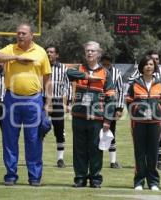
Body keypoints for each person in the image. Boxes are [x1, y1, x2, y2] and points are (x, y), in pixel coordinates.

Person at [0, 23, 52, 186]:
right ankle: (11, 174)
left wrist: (48, 103)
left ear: (32, 35)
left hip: (34, 99)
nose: (20, 36)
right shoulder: (11, 49)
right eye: (18, 33)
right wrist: (16, 57)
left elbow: (47, 78)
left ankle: (34, 177)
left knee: (33, 139)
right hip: (12, 98)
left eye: (24, 33)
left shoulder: (40, 52)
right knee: (10, 138)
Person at [67, 41, 115, 188]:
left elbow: (111, 97)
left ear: (99, 54)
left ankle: (95, 178)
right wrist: (88, 77)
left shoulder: (106, 73)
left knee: (95, 149)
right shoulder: (78, 69)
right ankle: (80, 178)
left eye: (93, 51)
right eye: (87, 50)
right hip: (79, 116)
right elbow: (68, 73)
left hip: (97, 117)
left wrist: (108, 120)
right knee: (79, 149)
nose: (89, 53)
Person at [128, 50, 161, 170]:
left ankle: (160, 160)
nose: (150, 65)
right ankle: (140, 177)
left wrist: (156, 102)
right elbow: (130, 96)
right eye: (147, 62)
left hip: (157, 115)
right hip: (140, 119)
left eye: (155, 61)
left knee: (160, 137)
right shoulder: (136, 79)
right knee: (140, 147)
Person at [126, 55, 161, 191]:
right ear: (142, 67)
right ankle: (139, 182)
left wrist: (160, 115)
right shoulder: (135, 84)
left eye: (151, 64)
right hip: (138, 123)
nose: (149, 66)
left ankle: (154, 182)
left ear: (154, 67)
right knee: (139, 152)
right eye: (146, 64)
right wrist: (136, 113)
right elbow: (128, 101)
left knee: (153, 153)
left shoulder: (160, 84)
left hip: (156, 123)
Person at [45, 46, 72, 168]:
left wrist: (68, 103)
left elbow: (68, 86)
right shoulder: (41, 66)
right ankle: (36, 157)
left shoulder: (63, 69)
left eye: (51, 52)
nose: (49, 54)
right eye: (47, 52)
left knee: (59, 130)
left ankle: (60, 159)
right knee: (39, 129)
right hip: (42, 101)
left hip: (57, 101)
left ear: (57, 55)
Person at [100, 53, 124, 169]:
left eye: (108, 64)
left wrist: (119, 108)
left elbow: (121, 91)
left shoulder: (117, 73)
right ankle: (96, 159)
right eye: (103, 63)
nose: (106, 66)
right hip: (97, 107)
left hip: (111, 107)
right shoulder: (97, 71)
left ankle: (113, 161)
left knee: (111, 133)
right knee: (96, 132)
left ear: (111, 63)